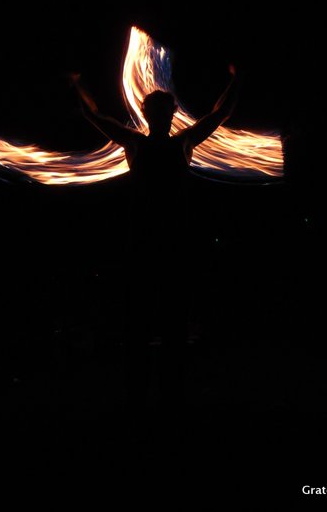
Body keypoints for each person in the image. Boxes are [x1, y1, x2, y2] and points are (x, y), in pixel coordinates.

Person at [70, 66, 239, 415]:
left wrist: (76, 83)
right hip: (161, 241)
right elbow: (220, 113)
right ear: (161, 114)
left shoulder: (153, 142)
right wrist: (238, 79)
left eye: (160, 110)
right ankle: (158, 397)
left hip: (155, 241)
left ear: (157, 114)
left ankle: (153, 397)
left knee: (155, 323)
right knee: (157, 323)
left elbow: (92, 114)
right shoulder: (175, 142)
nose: (160, 115)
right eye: (158, 111)